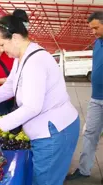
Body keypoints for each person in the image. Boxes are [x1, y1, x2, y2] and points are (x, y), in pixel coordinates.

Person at [0, 13, 80, 185]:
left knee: (45, 181)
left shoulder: (35, 61)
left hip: (53, 131)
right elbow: (10, 86)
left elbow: (32, 107)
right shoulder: (21, 57)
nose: (1, 50)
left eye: (2, 44)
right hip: (48, 129)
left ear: (15, 38)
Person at [66, 11, 103, 183]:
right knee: (90, 134)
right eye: (92, 28)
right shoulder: (97, 43)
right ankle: (84, 169)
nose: (93, 31)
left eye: (96, 27)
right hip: (96, 98)